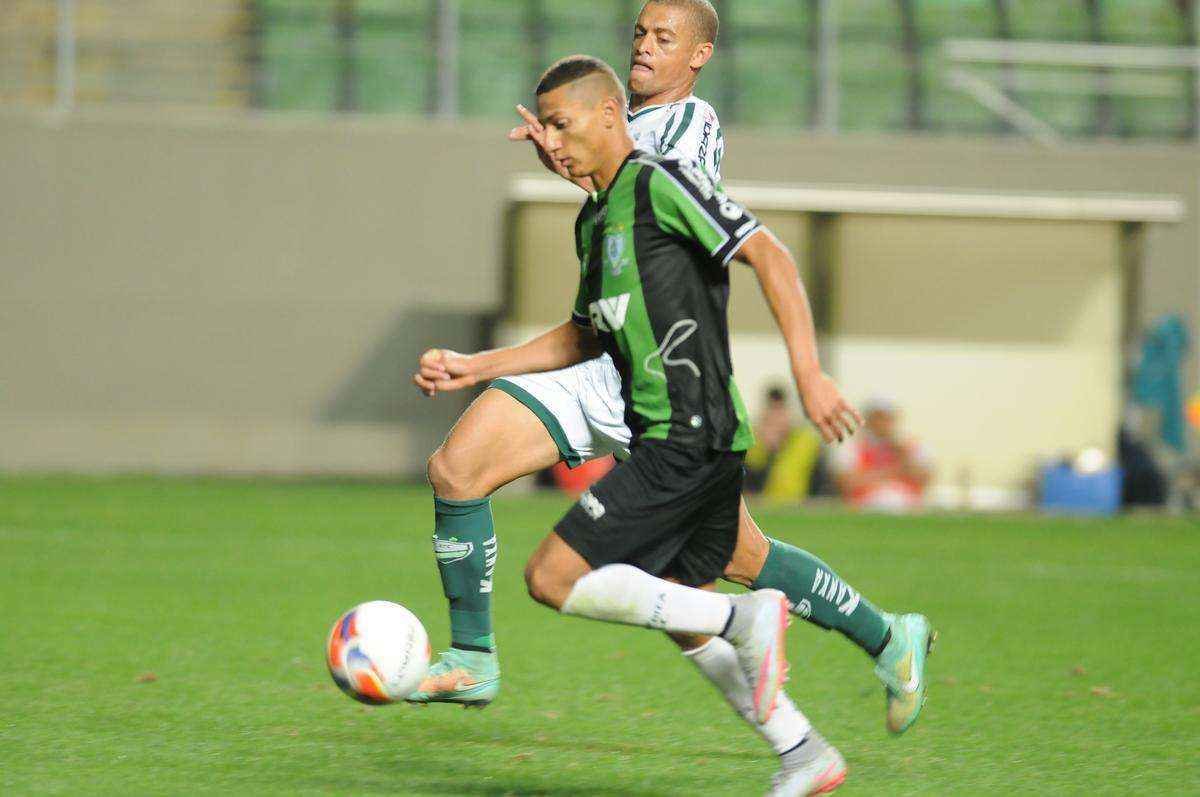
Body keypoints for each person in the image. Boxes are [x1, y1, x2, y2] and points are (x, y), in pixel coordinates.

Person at [412, 0, 933, 745]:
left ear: (698, 57)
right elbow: (608, 216)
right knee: (456, 468)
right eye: (639, 35)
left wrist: (810, 372)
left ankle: (876, 646)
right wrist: (565, 154)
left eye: (665, 38)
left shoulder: (689, 127)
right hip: (599, 357)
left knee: (727, 569)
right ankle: (472, 654)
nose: (647, 48)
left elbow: (659, 205)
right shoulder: (608, 154)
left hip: (656, 385)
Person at [833, 398, 932, 512]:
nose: (882, 423)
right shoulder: (852, 448)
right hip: (865, 507)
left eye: (886, 418)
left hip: (908, 507)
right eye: (877, 418)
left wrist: (903, 454)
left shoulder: (910, 446)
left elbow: (924, 478)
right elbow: (847, 483)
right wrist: (894, 471)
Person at [744, 384, 822, 501]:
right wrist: (770, 450)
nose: (776, 418)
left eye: (779, 411)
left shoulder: (806, 441)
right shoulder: (752, 442)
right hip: (764, 507)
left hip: (798, 506)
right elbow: (751, 485)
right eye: (772, 411)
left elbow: (819, 479)